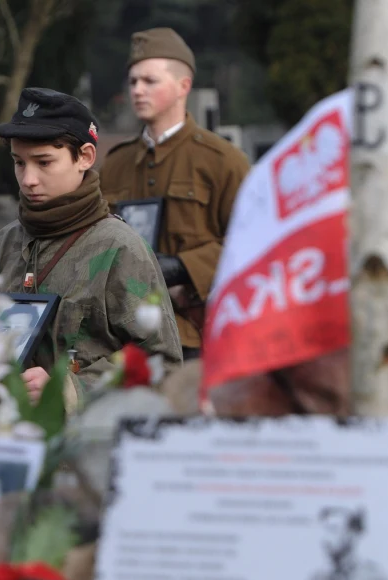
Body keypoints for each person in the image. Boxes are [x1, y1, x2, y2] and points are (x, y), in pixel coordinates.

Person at [0, 87, 181, 413]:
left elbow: (161, 363)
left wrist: (71, 389)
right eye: (19, 163)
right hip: (6, 432)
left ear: (85, 157)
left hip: (87, 436)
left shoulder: (120, 247)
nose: (28, 179)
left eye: (44, 162)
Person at [99, 28, 251, 358]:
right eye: (133, 81)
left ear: (183, 86)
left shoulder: (222, 161)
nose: (137, 90)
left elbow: (252, 240)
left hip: (196, 336)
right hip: (126, 340)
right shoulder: (114, 164)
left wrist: (183, 267)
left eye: (149, 81)